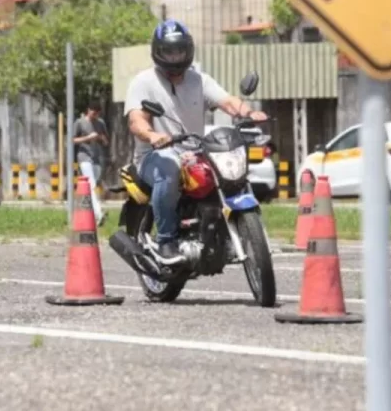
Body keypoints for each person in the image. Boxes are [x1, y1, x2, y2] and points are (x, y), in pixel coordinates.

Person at [124, 19, 268, 262]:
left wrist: (248, 112)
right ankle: (166, 240)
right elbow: (136, 120)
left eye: (179, 50)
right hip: (154, 155)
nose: (175, 56)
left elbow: (226, 100)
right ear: (158, 52)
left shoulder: (199, 80)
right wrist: (152, 135)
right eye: (169, 51)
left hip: (193, 151)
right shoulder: (143, 82)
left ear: (188, 50)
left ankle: (225, 234)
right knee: (169, 169)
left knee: (226, 170)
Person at [73, 101, 109, 226]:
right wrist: (87, 138)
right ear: (88, 110)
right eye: (93, 113)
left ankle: (87, 213)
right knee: (91, 184)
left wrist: (100, 138)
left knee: (93, 185)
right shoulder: (80, 122)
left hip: (97, 158)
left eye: (97, 114)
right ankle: (99, 213)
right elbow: (73, 140)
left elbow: (105, 142)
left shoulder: (101, 123)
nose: (95, 116)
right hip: (84, 157)